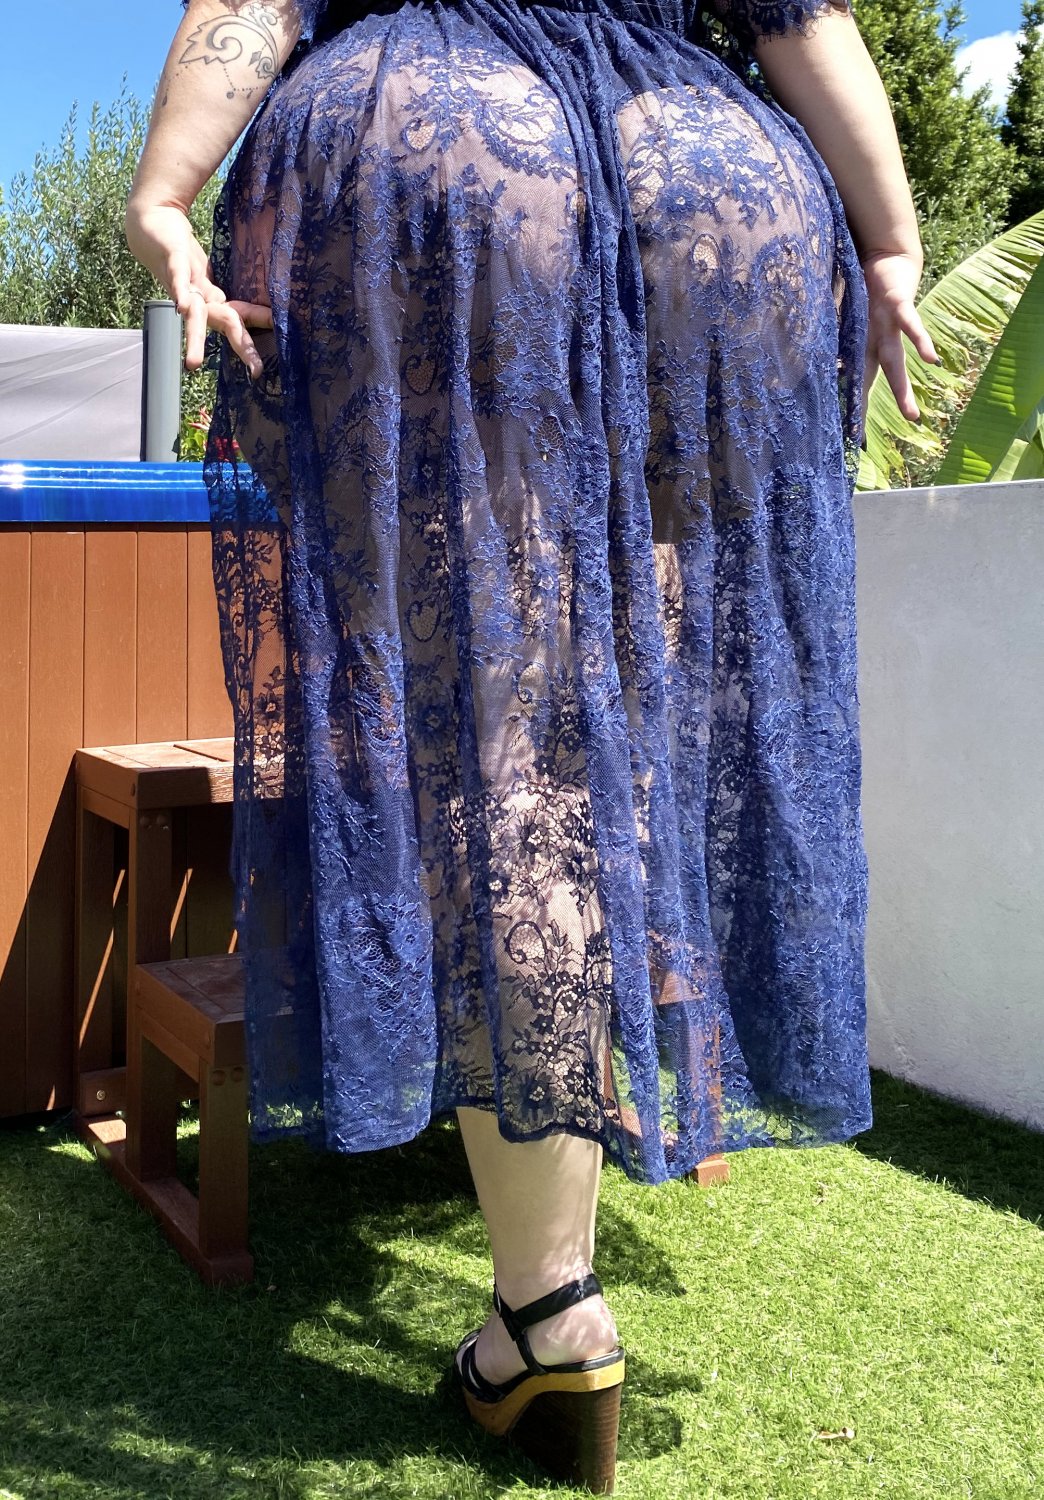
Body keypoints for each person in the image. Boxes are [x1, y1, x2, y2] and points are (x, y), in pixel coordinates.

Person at [126, 0, 935, 1490]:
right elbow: (799, 12)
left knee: (505, 744)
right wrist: (886, 240)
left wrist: (166, 193)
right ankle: (590, 1112)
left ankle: (549, 1308)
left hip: (440, 140)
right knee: (631, 700)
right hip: (708, 160)